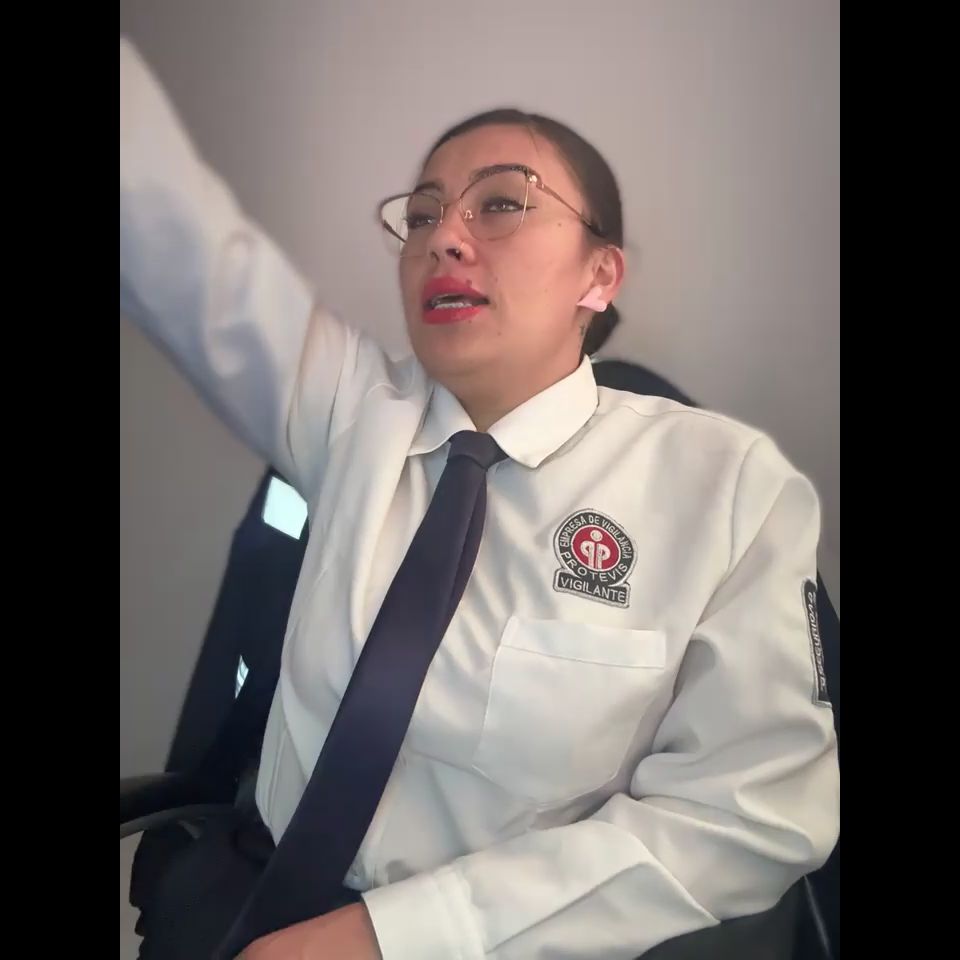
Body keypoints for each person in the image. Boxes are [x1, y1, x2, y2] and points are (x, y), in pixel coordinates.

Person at [120, 37, 839, 960]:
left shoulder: (728, 489)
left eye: (500, 203)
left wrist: (394, 936)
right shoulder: (347, 412)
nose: (444, 239)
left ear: (600, 274)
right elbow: (170, 230)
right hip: (248, 903)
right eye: (422, 216)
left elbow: (751, 813)